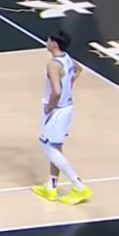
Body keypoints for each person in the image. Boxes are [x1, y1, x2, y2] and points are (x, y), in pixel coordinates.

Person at [31, 31, 91, 205]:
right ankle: (51, 186)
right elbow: (78, 70)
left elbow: (56, 91)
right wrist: (68, 86)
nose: (47, 41)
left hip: (57, 110)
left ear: (54, 44)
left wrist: (50, 106)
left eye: (49, 40)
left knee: (47, 145)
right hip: (67, 107)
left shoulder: (53, 64)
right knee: (55, 146)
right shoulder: (67, 58)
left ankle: (79, 186)